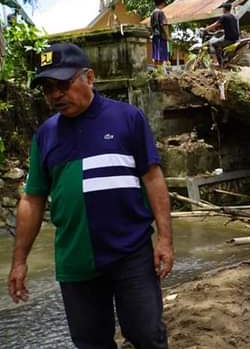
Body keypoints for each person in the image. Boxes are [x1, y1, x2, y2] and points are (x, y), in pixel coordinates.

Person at [7, 43, 173, 348]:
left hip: (131, 252)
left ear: (90, 78)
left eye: (63, 84)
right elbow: (32, 199)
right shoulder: (45, 135)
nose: (55, 95)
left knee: (147, 335)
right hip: (75, 259)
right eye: (47, 88)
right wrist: (19, 261)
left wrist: (164, 238)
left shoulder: (127, 118)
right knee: (91, 343)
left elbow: (152, 177)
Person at [150, 0, 170, 66]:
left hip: (154, 36)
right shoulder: (160, 12)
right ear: (162, 3)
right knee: (161, 57)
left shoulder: (152, 13)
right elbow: (164, 24)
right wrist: (167, 36)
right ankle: (160, 73)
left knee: (156, 56)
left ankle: (156, 72)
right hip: (161, 37)